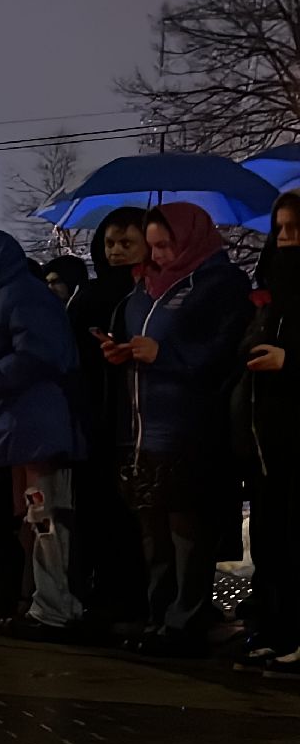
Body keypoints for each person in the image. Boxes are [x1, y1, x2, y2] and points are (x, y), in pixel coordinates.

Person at [105, 203, 252, 656]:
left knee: (187, 531)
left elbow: (224, 353)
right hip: (144, 430)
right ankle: (159, 613)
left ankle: (184, 618)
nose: (159, 255)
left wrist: (165, 355)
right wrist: (122, 353)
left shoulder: (219, 286)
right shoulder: (144, 291)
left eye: (166, 245)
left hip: (190, 429)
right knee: (155, 536)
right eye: (152, 247)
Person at [0, 228, 84, 640]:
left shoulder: (21, 297)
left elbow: (36, 357)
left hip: (37, 424)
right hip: (27, 426)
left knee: (47, 517)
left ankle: (56, 607)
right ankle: (46, 603)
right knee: (38, 515)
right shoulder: (7, 298)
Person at [67, 207, 149, 627]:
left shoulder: (151, 293)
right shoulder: (89, 293)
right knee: (96, 510)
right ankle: (101, 593)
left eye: (127, 244)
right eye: (110, 243)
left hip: (135, 417)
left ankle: (135, 598)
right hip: (93, 413)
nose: (116, 252)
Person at [235, 191, 300, 670]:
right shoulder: (271, 293)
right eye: (280, 230)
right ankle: (274, 630)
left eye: (295, 229)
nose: (285, 240)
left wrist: (289, 361)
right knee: (271, 541)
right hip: (266, 440)